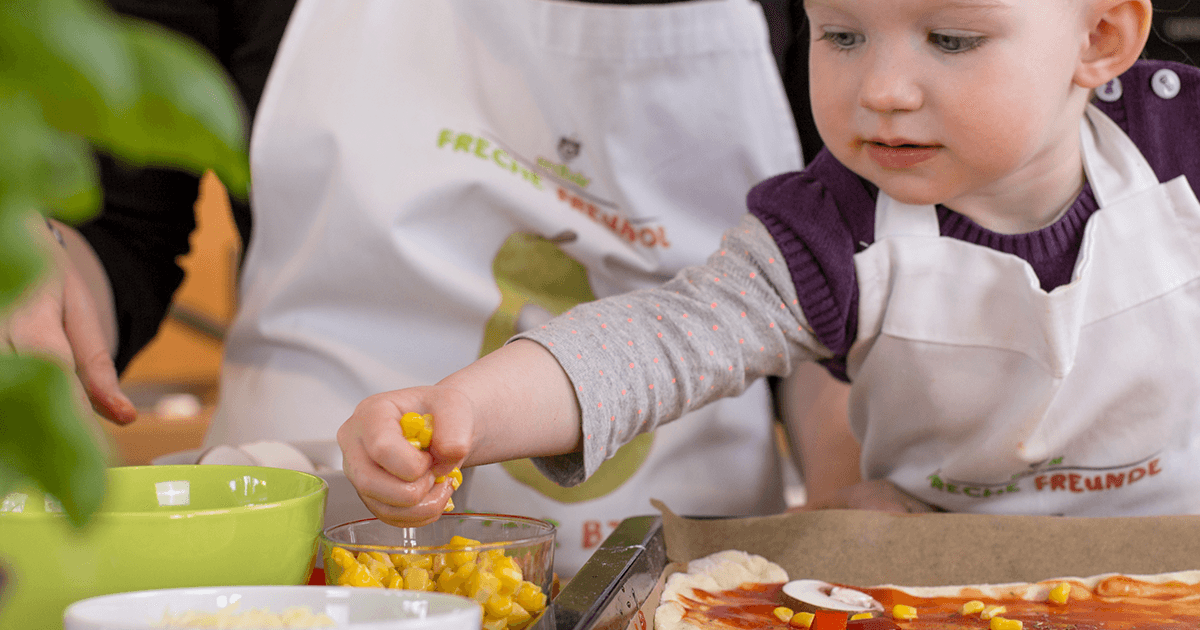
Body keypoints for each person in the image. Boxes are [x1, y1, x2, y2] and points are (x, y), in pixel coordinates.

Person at [2, 0, 869, 578]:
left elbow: (819, 280)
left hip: (681, 568)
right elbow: (120, 224)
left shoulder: (853, 36)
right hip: (293, 567)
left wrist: (851, 503)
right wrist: (31, 260)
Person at [337, 0, 1200, 526]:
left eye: (950, 39)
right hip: (934, 575)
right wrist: (461, 413)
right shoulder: (827, 229)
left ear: (1100, 36)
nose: (882, 90)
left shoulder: (1183, 151)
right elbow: (659, 343)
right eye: (843, 34)